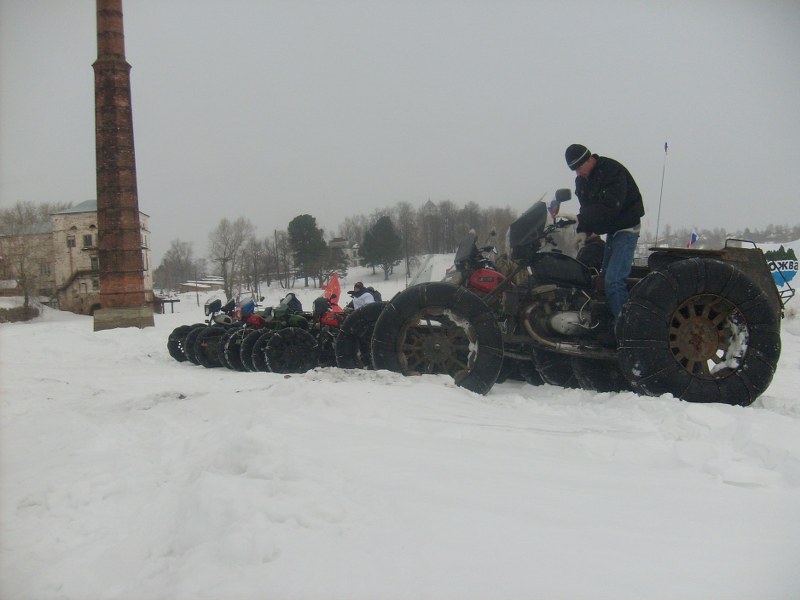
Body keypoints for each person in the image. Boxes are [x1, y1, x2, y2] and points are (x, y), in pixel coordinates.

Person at [565, 144, 645, 321]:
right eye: (574, 170)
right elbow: (587, 209)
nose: (578, 173)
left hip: (626, 228)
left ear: (589, 159)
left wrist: (580, 219)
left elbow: (609, 208)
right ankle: (606, 324)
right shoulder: (582, 181)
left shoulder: (611, 171)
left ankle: (625, 328)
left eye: (579, 168)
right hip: (611, 230)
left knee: (614, 281)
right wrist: (582, 231)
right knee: (602, 280)